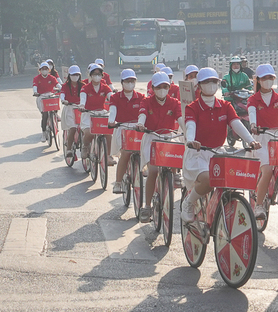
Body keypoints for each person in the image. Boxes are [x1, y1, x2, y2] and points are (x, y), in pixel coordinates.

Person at [183, 68, 258, 232]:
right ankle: (188, 202)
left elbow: (236, 124)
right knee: (209, 180)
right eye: (206, 82)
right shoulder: (192, 107)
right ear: (199, 86)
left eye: (214, 82)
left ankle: (216, 213)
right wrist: (190, 140)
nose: (210, 85)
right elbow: (190, 126)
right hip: (197, 153)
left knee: (230, 181)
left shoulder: (225, 106)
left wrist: (251, 140)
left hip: (218, 153)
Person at [244, 63, 278, 212]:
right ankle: (258, 206)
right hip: (260, 138)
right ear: (258, 80)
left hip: (276, 137)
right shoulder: (253, 99)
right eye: (264, 78)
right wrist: (253, 125)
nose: (268, 80)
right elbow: (251, 112)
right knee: (268, 170)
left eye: (270, 77)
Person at [138, 69, 183, 205]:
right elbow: (142, 114)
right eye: (158, 87)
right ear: (152, 88)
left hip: (168, 137)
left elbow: (180, 118)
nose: (162, 90)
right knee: (153, 171)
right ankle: (146, 206)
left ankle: (174, 175)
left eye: (165, 87)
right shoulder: (146, 101)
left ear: (169, 87)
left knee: (175, 154)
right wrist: (140, 123)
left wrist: (187, 130)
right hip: (151, 137)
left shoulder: (175, 103)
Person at [109, 69, 147, 204]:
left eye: (132, 81)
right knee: (125, 153)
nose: (130, 83)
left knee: (143, 151)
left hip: (137, 130)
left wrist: (141, 124)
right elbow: (112, 109)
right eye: (127, 81)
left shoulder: (141, 97)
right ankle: (118, 182)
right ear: (122, 82)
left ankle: (143, 168)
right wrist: (111, 120)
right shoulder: (115, 97)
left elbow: (144, 112)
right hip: (122, 128)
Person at [60, 64, 87, 157]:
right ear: (69, 76)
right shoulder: (65, 86)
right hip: (70, 108)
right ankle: (68, 149)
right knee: (73, 128)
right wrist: (63, 100)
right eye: (73, 75)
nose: (75, 77)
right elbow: (62, 94)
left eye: (77, 75)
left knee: (86, 129)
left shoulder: (83, 85)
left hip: (81, 109)